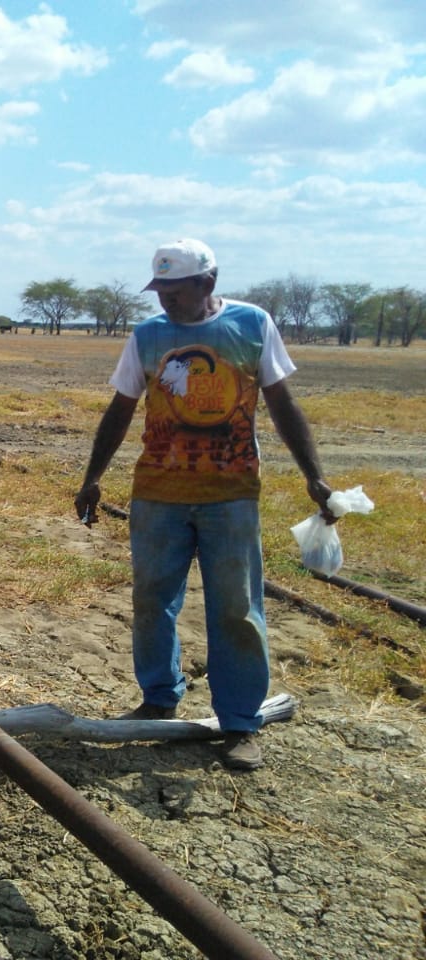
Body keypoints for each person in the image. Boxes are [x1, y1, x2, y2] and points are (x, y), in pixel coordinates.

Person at [73, 239, 335, 772]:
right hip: (158, 495)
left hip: (230, 495)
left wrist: (315, 478)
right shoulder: (148, 336)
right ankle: (158, 699)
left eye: (175, 291)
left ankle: (240, 723)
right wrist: (92, 478)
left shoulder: (252, 325)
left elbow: (283, 403)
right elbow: (121, 408)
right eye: (160, 291)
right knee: (152, 600)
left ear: (207, 283)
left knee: (237, 608)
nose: (165, 301)